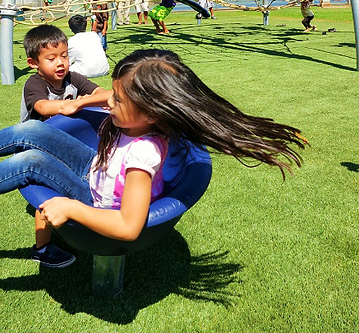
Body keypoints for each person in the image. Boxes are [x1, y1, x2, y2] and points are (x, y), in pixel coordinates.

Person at [0, 49, 305, 268]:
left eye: (118, 99)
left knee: (30, 162)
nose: (111, 101)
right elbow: (104, 95)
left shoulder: (143, 152)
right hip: (93, 168)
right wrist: (77, 103)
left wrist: (71, 207)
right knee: (30, 130)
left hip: (95, 201)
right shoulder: (138, 112)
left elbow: (129, 226)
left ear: (151, 112)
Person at [19, 24, 111, 267]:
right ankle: (42, 247)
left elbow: (102, 92)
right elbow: (41, 107)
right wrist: (66, 106)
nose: (60, 63)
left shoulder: (73, 78)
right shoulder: (35, 84)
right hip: (36, 146)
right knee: (45, 193)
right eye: (51, 58)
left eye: (64, 55)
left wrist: (88, 100)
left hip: (64, 143)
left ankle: (83, 218)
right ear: (33, 63)